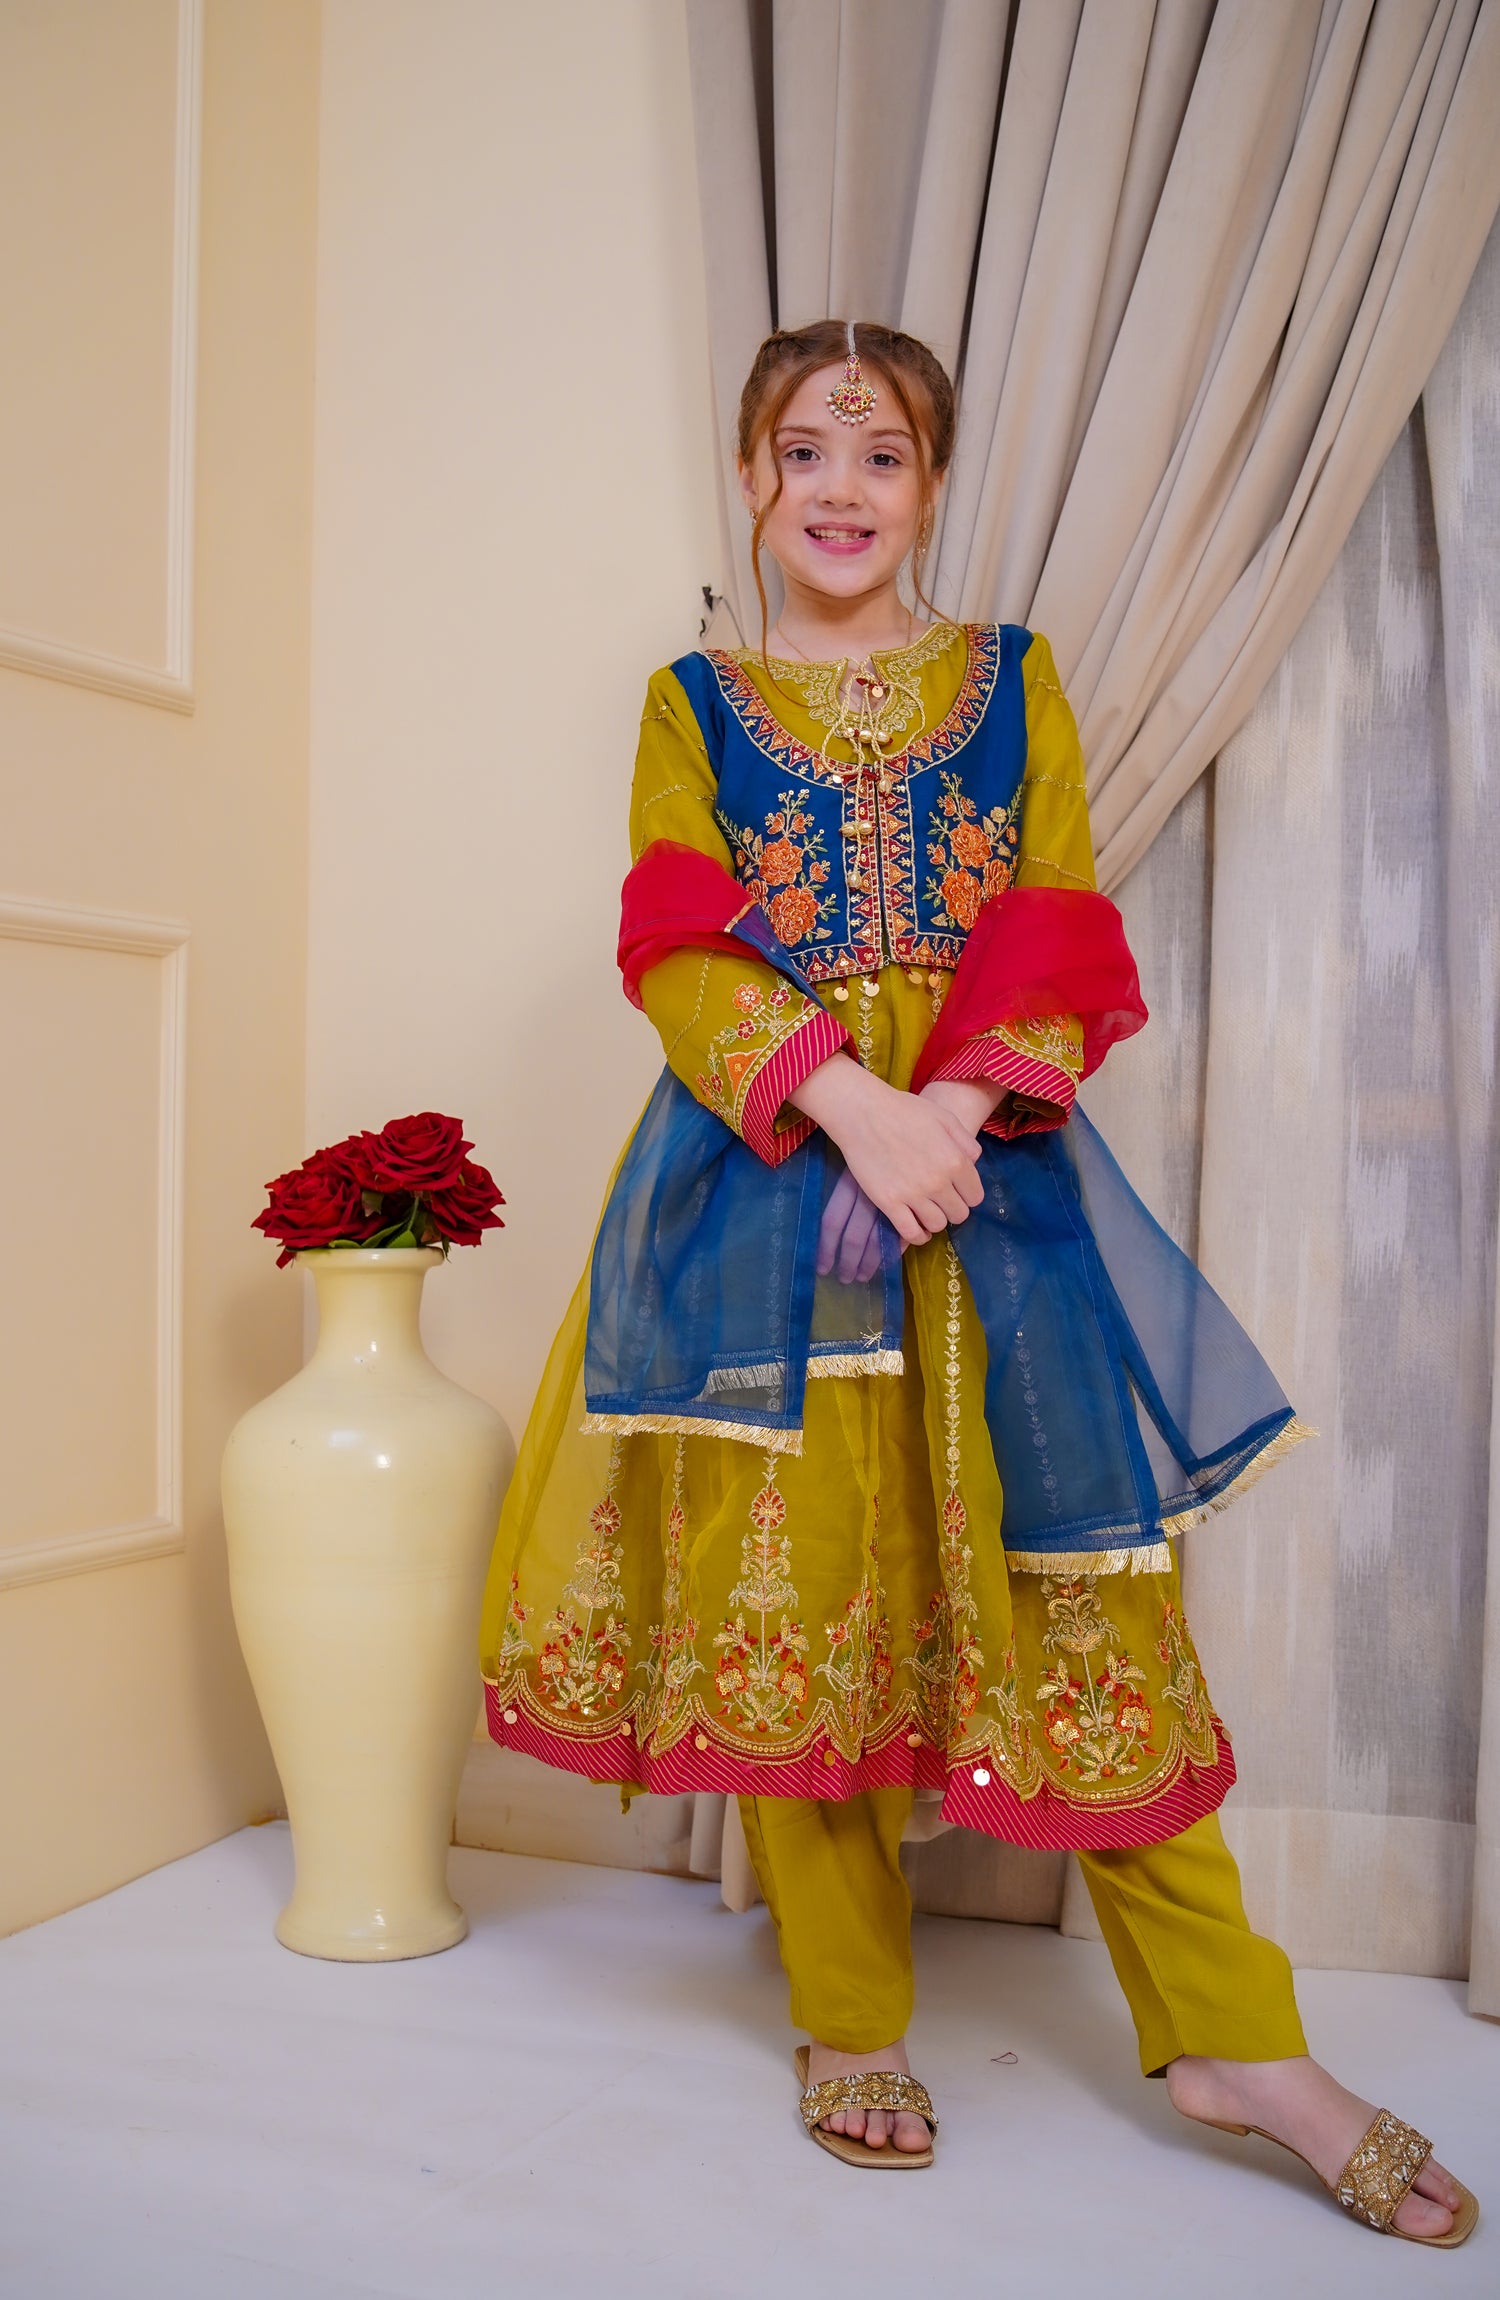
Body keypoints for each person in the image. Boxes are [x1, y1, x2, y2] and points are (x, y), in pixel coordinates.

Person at [478, 319, 1475, 2246]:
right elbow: (677, 941)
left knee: (1087, 1605)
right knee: (803, 1604)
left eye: (881, 454)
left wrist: (945, 1112)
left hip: (989, 1193)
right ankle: (849, 2018)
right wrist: (851, 1105)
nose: (840, 488)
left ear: (932, 486)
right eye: (804, 450)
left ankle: (1237, 2042)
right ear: (751, 481)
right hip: (766, 1193)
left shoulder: (1015, 682)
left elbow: (1060, 920)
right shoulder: (695, 702)